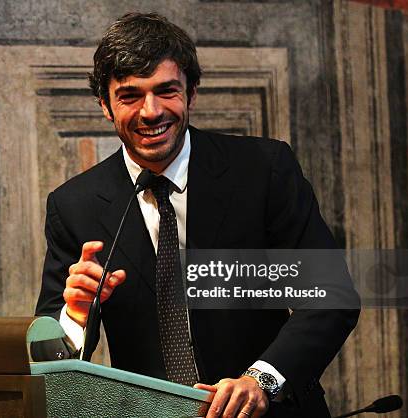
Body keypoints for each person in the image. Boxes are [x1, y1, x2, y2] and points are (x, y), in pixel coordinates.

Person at [35, 12, 359, 418]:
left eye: (166, 90)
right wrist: (76, 316)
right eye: (130, 96)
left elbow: (330, 298)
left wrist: (260, 380)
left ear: (191, 94)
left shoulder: (263, 170)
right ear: (105, 105)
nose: (151, 111)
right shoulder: (74, 205)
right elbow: (46, 360)